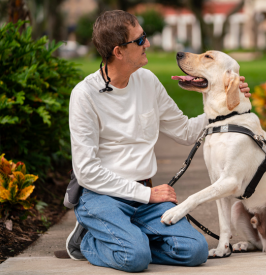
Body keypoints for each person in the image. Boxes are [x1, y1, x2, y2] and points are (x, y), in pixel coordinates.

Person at [66, 10, 251, 273]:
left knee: (195, 251)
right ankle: (88, 240)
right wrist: (147, 194)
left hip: (145, 199)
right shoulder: (84, 95)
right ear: (119, 52)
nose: (148, 43)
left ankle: (129, 237)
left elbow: (186, 132)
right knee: (135, 259)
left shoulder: (148, 81)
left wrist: (227, 103)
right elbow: (86, 171)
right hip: (101, 197)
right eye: (140, 40)